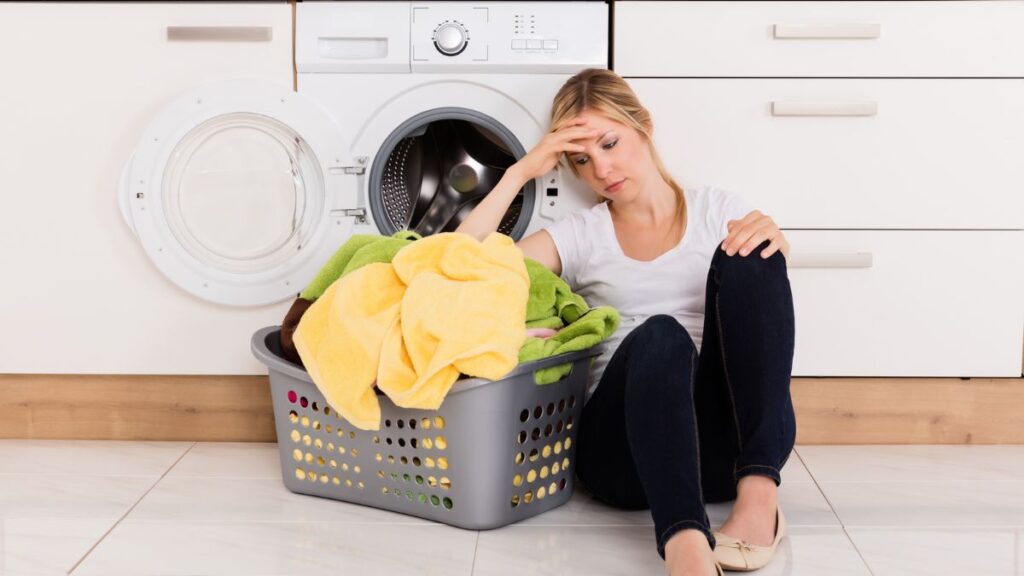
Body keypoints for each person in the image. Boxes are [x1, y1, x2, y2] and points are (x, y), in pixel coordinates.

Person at [455, 68, 796, 576]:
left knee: (756, 251)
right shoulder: (581, 236)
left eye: (611, 143)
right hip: (623, 452)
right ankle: (685, 545)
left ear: (645, 126)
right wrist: (521, 171)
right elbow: (461, 269)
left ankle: (758, 501)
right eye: (581, 159)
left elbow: (761, 321)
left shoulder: (717, 211)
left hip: (730, 448)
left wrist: (774, 246)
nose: (602, 169)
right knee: (661, 335)